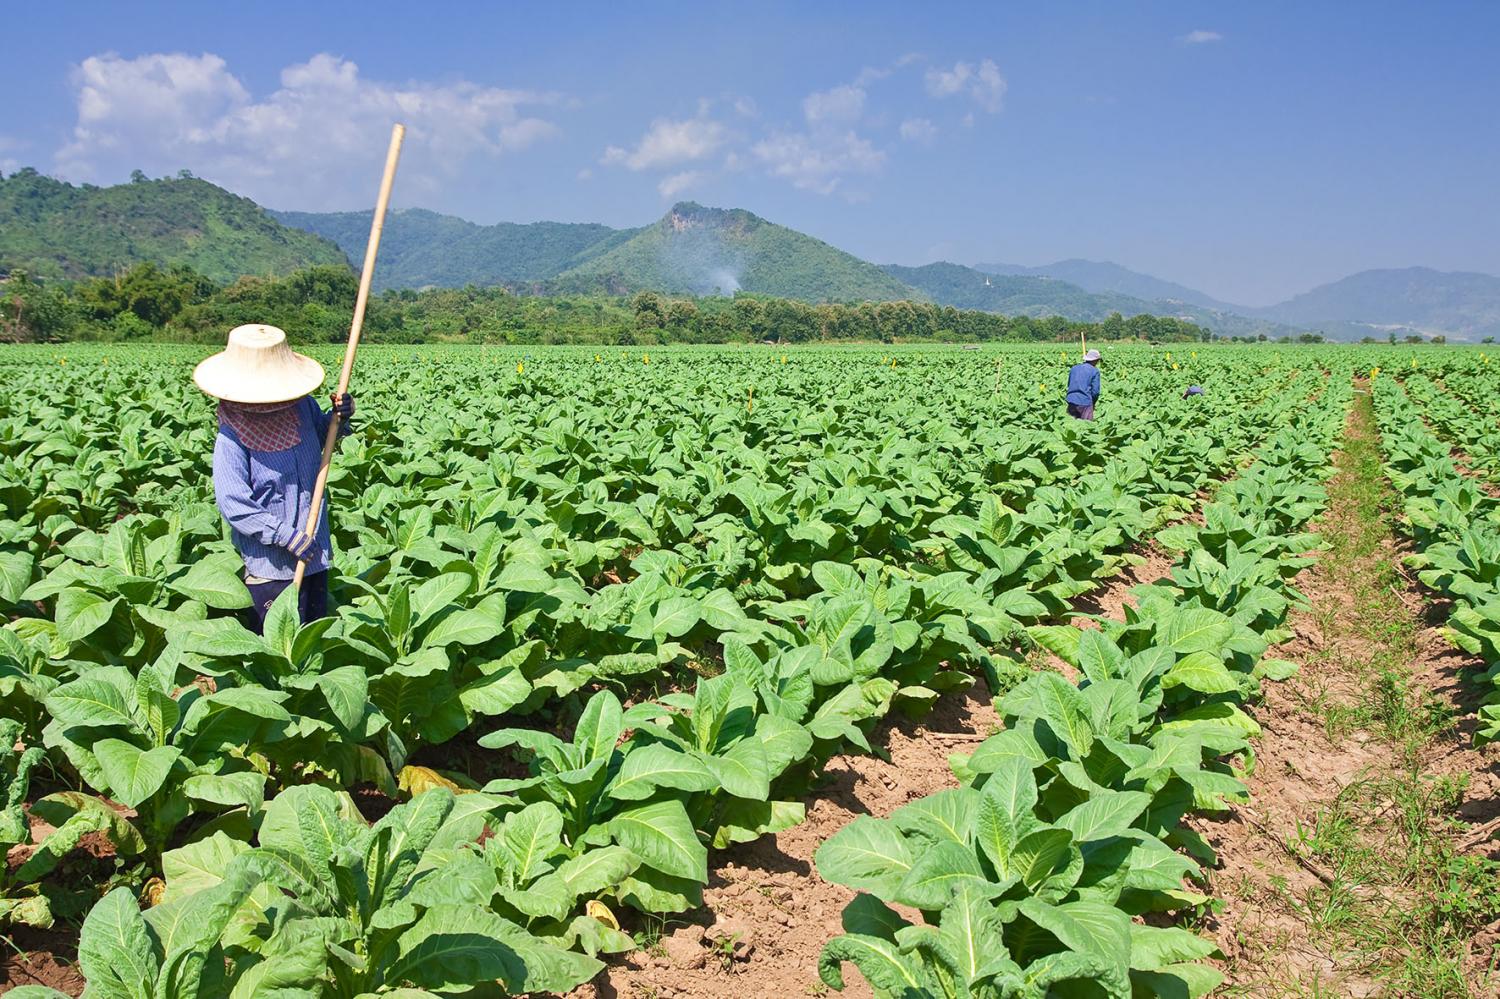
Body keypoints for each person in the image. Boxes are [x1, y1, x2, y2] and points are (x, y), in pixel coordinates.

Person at [193, 324, 355, 632]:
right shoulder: (231, 434)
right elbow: (235, 504)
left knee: (313, 639)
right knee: (276, 650)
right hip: (272, 565)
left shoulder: (301, 406)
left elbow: (323, 437)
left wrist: (339, 417)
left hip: (313, 552)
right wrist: (286, 537)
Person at [1065, 349, 1102, 420]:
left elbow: (1069, 384)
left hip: (1071, 400)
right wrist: (1093, 403)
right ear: (1095, 360)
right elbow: (1095, 392)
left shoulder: (1074, 368)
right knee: (1086, 427)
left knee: (1071, 425)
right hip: (1085, 402)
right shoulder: (1094, 371)